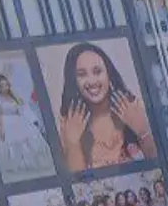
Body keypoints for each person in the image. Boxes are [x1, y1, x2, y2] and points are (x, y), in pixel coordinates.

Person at [55, 42, 157, 173]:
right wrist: (73, 144)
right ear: (74, 81)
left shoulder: (134, 108)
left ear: (109, 74)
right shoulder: (68, 123)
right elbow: (78, 184)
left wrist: (143, 132)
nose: (92, 81)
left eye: (97, 72)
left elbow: (160, 167)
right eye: (82, 74)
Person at [0, 71, 48, 176]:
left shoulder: (12, 96)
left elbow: (21, 108)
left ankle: (28, 164)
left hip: (18, 121)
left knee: (28, 139)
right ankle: (14, 166)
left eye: (6, 84)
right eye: (2, 86)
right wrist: (1, 130)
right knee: (11, 144)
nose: (5, 87)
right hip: (6, 123)